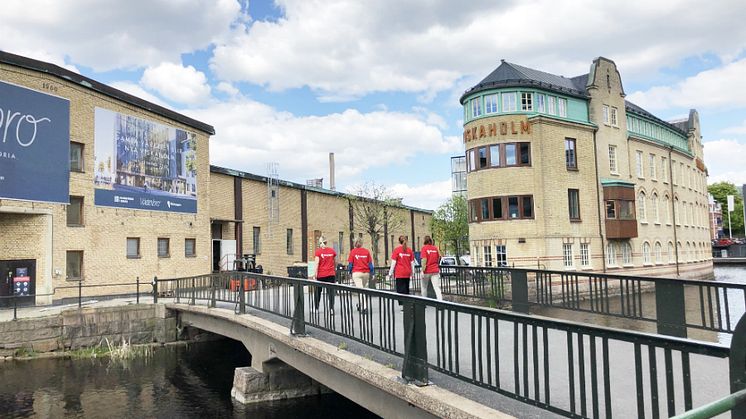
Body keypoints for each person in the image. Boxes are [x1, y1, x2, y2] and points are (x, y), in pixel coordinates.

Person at [348, 237, 374, 314]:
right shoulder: (366, 252)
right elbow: (370, 264)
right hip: (366, 273)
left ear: (354, 243)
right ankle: (360, 304)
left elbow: (350, 265)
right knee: (363, 289)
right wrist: (372, 273)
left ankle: (365, 307)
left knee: (360, 290)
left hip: (356, 273)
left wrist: (349, 272)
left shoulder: (353, 252)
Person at [387, 235, 415, 307]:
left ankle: (403, 305)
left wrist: (390, 273)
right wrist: (413, 272)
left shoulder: (397, 250)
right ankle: (407, 304)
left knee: (400, 290)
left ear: (399, 241)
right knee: (406, 288)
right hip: (407, 272)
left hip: (399, 273)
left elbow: (393, 263)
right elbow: (412, 263)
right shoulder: (409, 250)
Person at [312, 236, 337, 313]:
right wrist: (333, 269)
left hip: (321, 275)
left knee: (318, 292)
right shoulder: (332, 251)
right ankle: (331, 309)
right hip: (331, 274)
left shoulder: (318, 252)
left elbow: (317, 263)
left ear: (320, 243)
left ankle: (316, 308)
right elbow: (335, 262)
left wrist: (314, 274)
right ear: (326, 242)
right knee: (331, 292)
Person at [419, 236, 443, 300]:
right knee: (437, 287)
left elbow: (424, 260)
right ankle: (440, 302)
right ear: (431, 241)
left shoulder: (424, 248)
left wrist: (422, 271)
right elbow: (439, 257)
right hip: (435, 270)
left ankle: (424, 302)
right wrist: (436, 264)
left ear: (425, 241)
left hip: (427, 271)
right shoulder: (435, 248)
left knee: (424, 287)